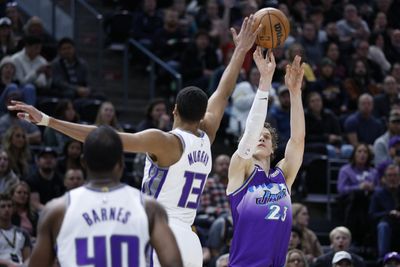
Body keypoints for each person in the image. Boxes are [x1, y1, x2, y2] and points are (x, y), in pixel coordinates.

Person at [9, 15, 260, 267]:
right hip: (191, 240)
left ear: (174, 110)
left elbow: (102, 136)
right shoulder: (208, 133)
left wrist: (48, 120)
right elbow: (224, 91)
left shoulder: (163, 141)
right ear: (201, 113)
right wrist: (240, 50)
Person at [28, 126, 183, 267]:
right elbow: (174, 263)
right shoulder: (149, 208)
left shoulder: (56, 210)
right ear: (122, 163)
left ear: (83, 162)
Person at [227, 46, 305, 266]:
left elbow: (298, 141)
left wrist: (295, 92)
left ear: (273, 149)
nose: (260, 139)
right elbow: (251, 132)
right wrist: (265, 80)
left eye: (267, 137)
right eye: (256, 137)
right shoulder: (240, 169)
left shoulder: (283, 177)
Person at [0, 193, 31, 266]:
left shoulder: (23, 233)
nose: (7, 209)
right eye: (2, 206)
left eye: (9, 206)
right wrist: (7, 264)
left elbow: (27, 259)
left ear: (13, 209)